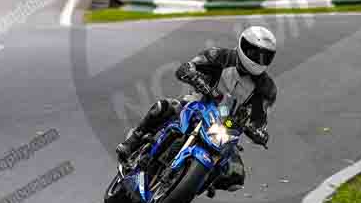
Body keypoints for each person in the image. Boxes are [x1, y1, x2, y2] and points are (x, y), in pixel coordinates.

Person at [116, 27, 277, 193]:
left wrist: (258, 131)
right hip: (199, 103)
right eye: (254, 53)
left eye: (265, 56)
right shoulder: (220, 56)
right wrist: (193, 74)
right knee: (164, 108)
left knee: (235, 176)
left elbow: (260, 119)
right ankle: (132, 143)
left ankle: (198, 181)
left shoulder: (267, 89)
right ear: (243, 45)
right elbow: (188, 67)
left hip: (227, 125)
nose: (259, 59)